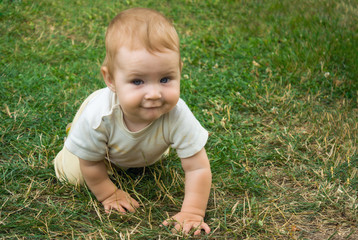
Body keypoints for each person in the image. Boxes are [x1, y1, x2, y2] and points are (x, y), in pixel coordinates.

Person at [53, 8, 211, 235]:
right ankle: (77, 136)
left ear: (179, 71)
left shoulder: (177, 113)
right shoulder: (99, 116)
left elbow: (197, 167)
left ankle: (129, 148)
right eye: (138, 81)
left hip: (137, 148)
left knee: (146, 156)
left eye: (165, 79)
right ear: (111, 79)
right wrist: (109, 193)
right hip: (99, 130)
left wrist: (193, 211)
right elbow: (89, 164)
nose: (154, 93)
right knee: (74, 175)